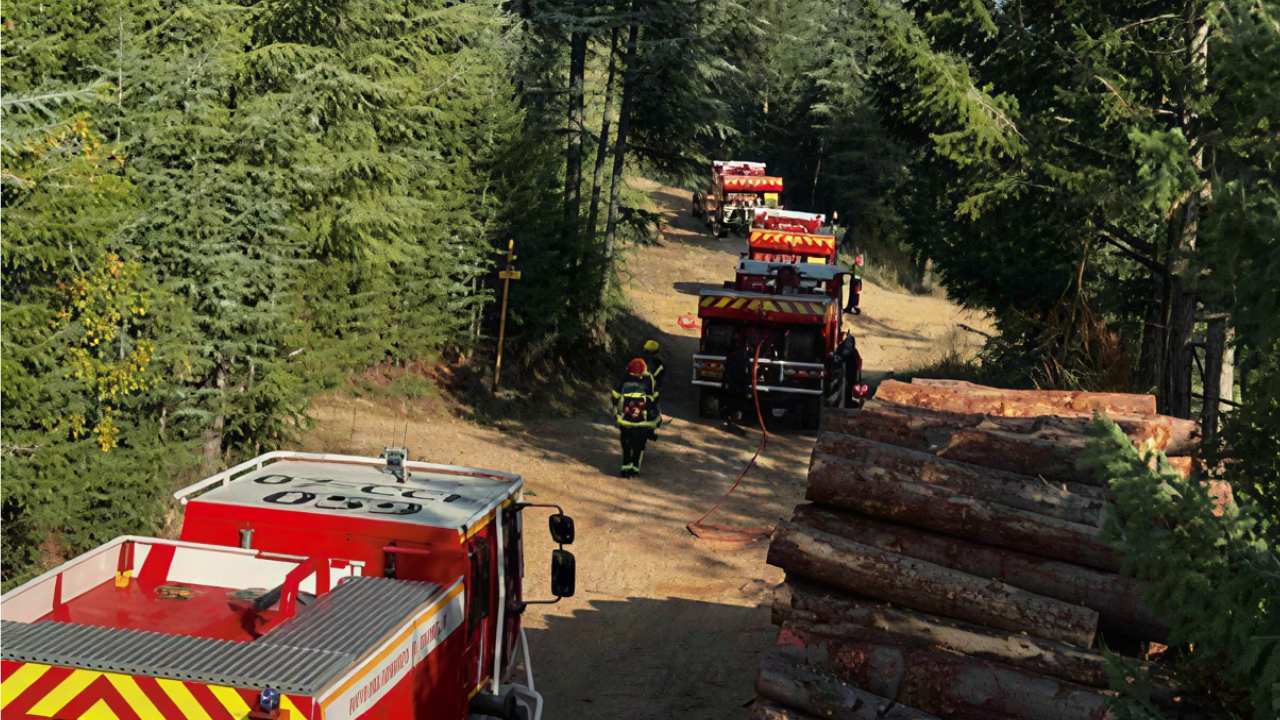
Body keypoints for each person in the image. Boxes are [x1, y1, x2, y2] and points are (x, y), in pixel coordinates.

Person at [612, 358, 659, 478]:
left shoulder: (624, 379)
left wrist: (616, 411)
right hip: (642, 423)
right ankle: (635, 468)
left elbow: (616, 396)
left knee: (626, 445)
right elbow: (653, 398)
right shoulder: (648, 380)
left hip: (625, 421)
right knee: (639, 445)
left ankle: (626, 467)